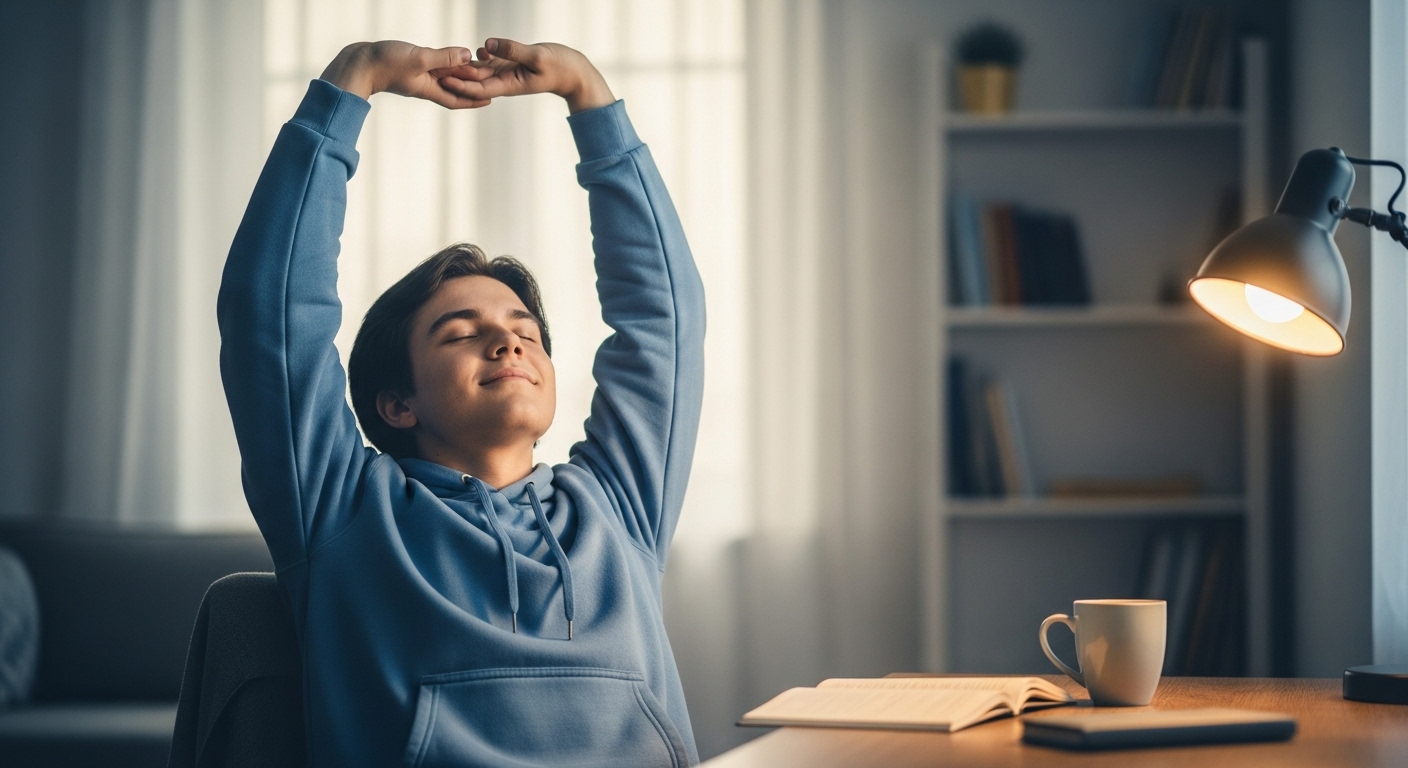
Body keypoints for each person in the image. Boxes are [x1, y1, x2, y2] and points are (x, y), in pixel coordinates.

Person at [218, 38, 704, 767]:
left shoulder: (618, 505)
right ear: (397, 403)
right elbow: (272, 317)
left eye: (524, 331)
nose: (508, 346)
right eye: (461, 333)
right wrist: (353, 82)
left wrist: (590, 96)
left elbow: (664, 318)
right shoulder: (341, 510)